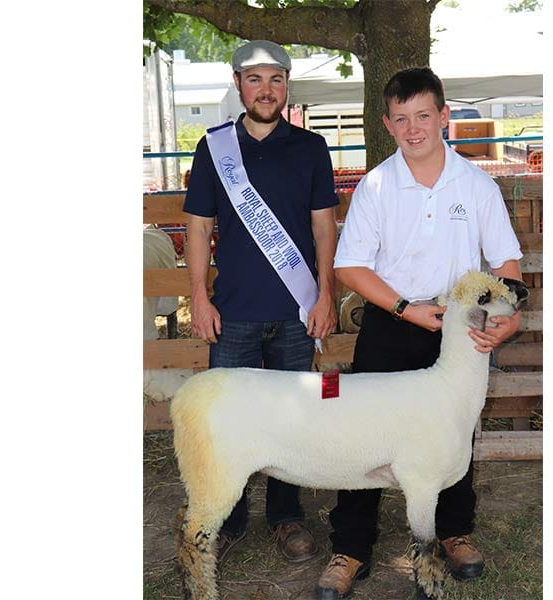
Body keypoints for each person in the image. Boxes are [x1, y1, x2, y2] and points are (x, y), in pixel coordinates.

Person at [315, 67, 524, 599]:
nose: (414, 129)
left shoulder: (476, 185)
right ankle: (352, 545)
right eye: (401, 119)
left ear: (443, 116)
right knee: (362, 428)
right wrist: (407, 308)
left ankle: (454, 532)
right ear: (388, 123)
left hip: (457, 328)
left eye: (423, 116)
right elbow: (351, 267)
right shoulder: (377, 185)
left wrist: (507, 314)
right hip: (392, 321)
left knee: (452, 433)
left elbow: (505, 262)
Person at [183, 39, 339, 565]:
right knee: (229, 420)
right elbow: (199, 227)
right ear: (238, 85)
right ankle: (227, 519)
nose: (266, 90)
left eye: (275, 79)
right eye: (255, 80)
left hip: (298, 313)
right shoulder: (214, 148)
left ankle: (285, 516)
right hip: (234, 312)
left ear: (286, 85)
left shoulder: (311, 148)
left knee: (294, 418)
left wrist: (325, 295)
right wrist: (199, 298)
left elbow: (323, 227)